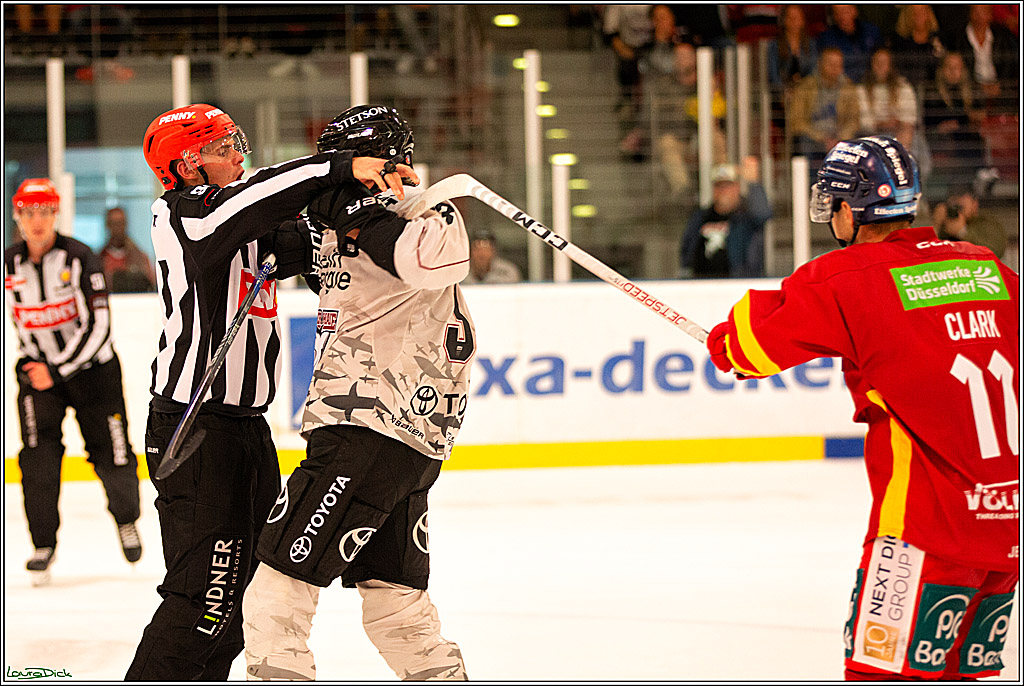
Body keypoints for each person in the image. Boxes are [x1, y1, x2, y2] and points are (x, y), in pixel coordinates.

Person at [706, 136, 1019, 680]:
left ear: (851, 209)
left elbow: (746, 347)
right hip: (1006, 533)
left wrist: (722, 343)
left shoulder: (846, 278)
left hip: (920, 536)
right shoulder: (986, 266)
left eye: (833, 202)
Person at [125, 103, 417, 681]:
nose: (238, 154)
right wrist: (337, 166)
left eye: (238, 141)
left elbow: (323, 240)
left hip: (244, 430)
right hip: (194, 425)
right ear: (185, 167)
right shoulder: (181, 215)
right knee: (202, 602)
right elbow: (256, 198)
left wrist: (379, 205)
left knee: (248, 597)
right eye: (221, 148)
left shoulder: (247, 219)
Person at [242, 105, 472, 680]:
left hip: (371, 428)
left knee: (275, 598)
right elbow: (259, 235)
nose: (335, 171)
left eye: (345, 160)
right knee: (396, 607)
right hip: (393, 443)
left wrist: (354, 214)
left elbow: (426, 260)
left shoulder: (425, 211)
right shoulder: (333, 220)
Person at [4, 178, 142, 586]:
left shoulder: (81, 258)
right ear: (18, 216)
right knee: (37, 458)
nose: (37, 221)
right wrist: (35, 367)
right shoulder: (8, 263)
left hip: (93, 373)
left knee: (113, 453)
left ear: (56, 215)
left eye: (44, 212)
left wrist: (59, 369)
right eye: (29, 212)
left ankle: (127, 520)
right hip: (38, 374)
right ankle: (42, 544)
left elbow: (101, 325)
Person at [679, 157, 770, 279]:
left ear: (737, 187)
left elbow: (763, 214)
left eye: (728, 185)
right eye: (719, 186)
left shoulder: (746, 217)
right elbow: (686, 249)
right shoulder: (700, 216)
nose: (723, 191)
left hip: (737, 284)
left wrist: (753, 183)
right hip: (700, 286)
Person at [789, 47, 860, 165]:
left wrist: (840, 138)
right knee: (803, 142)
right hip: (813, 137)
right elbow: (797, 122)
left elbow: (854, 119)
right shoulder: (806, 87)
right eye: (831, 64)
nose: (835, 68)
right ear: (820, 64)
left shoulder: (848, 87)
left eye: (838, 65)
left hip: (840, 136)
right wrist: (821, 138)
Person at [856, 48, 917, 146]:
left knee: (914, 138)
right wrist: (881, 124)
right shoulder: (861, 89)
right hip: (871, 134)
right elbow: (862, 120)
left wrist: (899, 124)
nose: (880, 66)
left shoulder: (903, 87)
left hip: (899, 132)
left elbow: (909, 118)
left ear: (891, 66)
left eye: (884, 63)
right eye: (877, 63)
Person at [932, 185, 1008, 260]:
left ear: (974, 203)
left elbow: (996, 251)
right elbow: (929, 252)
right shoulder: (946, 223)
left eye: (961, 206)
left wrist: (962, 232)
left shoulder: (987, 222)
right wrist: (937, 225)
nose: (957, 209)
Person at [815, 5, 882, 83]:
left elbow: (882, 57)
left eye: (845, 10)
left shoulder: (872, 31)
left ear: (855, 11)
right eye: (837, 12)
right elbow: (825, 66)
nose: (842, 15)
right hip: (842, 85)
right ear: (834, 16)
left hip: (872, 82)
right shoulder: (826, 38)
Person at [98, 206, 156, 292]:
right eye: (114, 223)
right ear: (107, 225)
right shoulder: (100, 259)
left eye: (121, 223)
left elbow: (151, 284)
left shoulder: (140, 257)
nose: (118, 228)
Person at [891, 5, 947, 85]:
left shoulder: (939, 39)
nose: (919, 15)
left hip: (935, 88)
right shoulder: (899, 41)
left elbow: (943, 64)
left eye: (922, 11)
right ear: (907, 15)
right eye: (914, 12)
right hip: (906, 87)